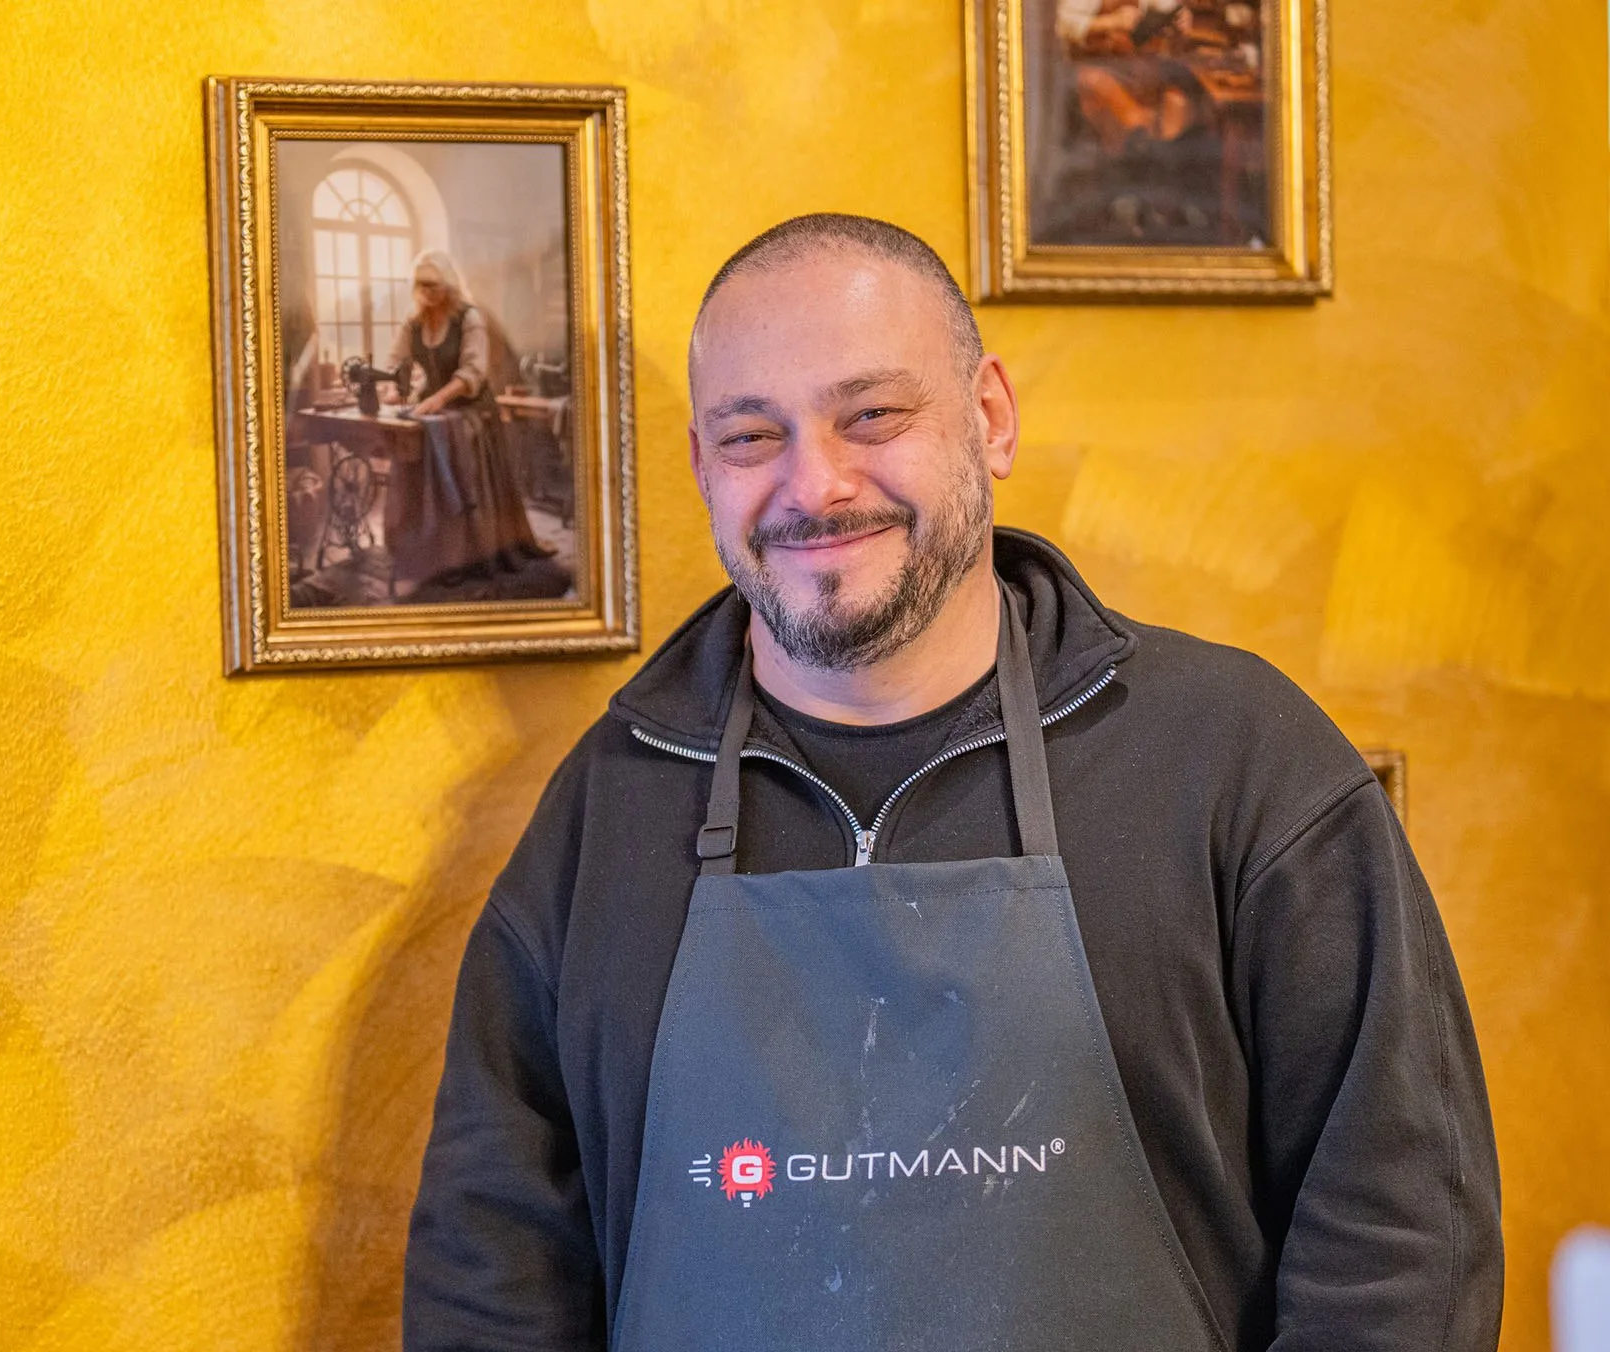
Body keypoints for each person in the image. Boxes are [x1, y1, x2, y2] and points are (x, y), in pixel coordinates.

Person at [402, 214, 1500, 1350]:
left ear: (988, 418)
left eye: (871, 414)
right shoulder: (608, 809)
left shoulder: (1235, 760)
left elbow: (1401, 1227)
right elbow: (491, 1272)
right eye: (748, 436)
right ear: (699, 466)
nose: (812, 485)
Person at [380, 250, 559, 598]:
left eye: (433, 285)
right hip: (434, 409)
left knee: (465, 475)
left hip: (471, 410)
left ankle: (467, 558)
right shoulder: (414, 322)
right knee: (418, 458)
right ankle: (427, 556)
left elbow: (472, 372)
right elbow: (394, 358)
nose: (427, 292)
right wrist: (389, 388)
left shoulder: (469, 318)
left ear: (447, 284)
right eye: (421, 285)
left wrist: (436, 399)